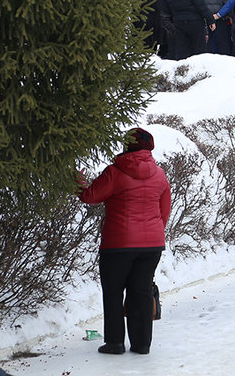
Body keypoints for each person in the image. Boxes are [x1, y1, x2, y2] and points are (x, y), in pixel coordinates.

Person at [78, 128, 171, 355]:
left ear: (126, 145)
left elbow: (91, 196)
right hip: (152, 245)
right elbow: (164, 211)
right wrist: (154, 231)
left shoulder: (115, 172)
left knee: (113, 291)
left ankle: (115, 343)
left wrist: (79, 182)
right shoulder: (160, 174)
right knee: (141, 292)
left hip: (118, 244)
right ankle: (141, 345)